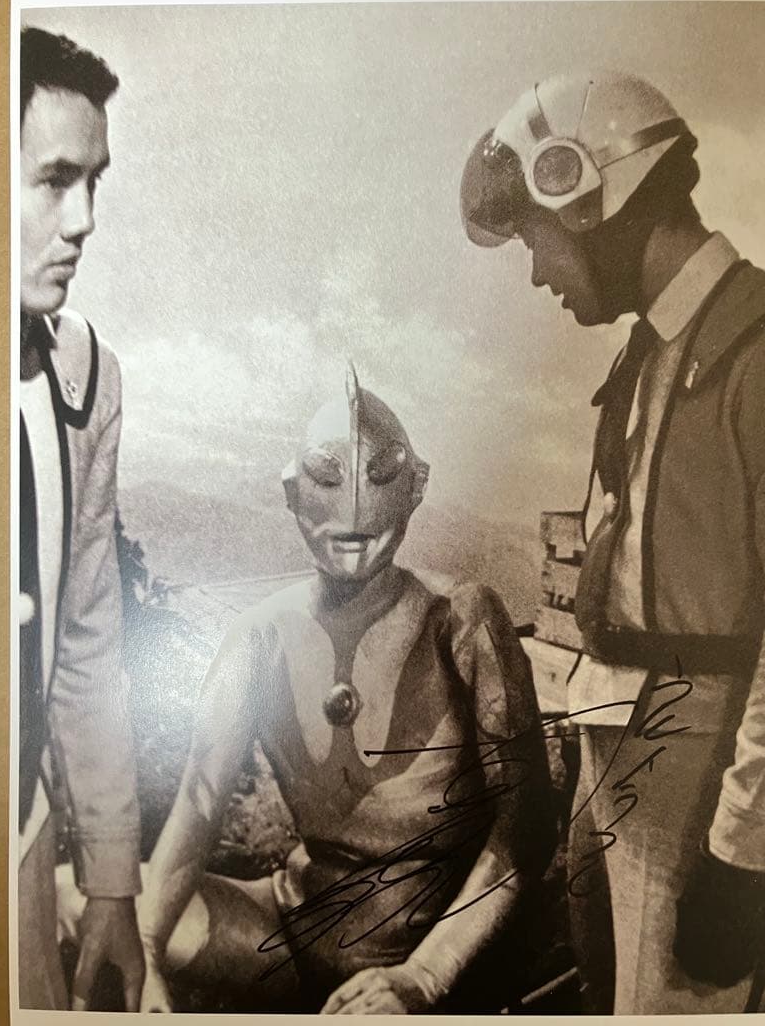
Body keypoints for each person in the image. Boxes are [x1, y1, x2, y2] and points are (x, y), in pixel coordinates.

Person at [56, 367, 556, 1013]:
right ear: (291, 493)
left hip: (438, 952)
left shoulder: (461, 620)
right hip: (292, 930)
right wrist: (146, 949)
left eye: (380, 476)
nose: (353, 510)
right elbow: (199, 806)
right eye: (327, 479)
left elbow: (525, 831)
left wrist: (423, 977)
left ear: (416, 487)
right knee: (72, 896)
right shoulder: (258, 635)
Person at [460, 71, 765, 1014]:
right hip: (623, 749)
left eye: (535, 239)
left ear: (588, 197)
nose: (538, 273)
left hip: (701, 769)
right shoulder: (654, 351)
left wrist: (744, 850)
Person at [18, 27, 143, 1011]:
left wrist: (109, 879)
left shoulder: (85, 374)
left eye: (94, 182)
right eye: (56, 180)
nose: (85, 219)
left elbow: (88, 644)